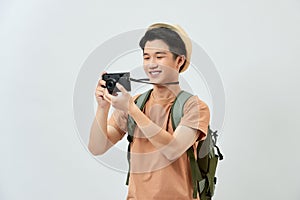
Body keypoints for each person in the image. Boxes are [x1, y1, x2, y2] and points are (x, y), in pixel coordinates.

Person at [88, 22, 210, 200]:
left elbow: (173, 150)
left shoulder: (195, 107)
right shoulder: (137, 103)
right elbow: (97, 147)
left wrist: (131, 109)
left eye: (159, 57)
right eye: (146, 57)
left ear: (179, 60)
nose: (151, 64)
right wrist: (102, 108)